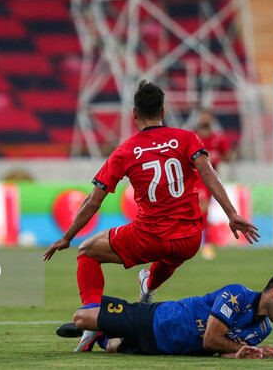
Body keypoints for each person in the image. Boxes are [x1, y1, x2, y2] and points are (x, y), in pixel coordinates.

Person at [43, 80, 259, 352]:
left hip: (149, 237)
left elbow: (93, 200)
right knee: (171, 255)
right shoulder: (186, 138)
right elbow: (207, 172)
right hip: (190, 239)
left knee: (86, 250)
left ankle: (92, 318)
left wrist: (67, 237)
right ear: (163, 111)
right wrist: (232, 213)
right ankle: (148, 289)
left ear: (134, 114)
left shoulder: (125, 150)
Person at [68, 269, 273, 358]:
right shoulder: (237, 296)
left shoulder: (264, 328)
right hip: (156, 320)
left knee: (111, 346)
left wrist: (251, 354)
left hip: (164, 348)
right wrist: (247, 349)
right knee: (80, 317)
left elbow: (226, 352)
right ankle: (94, 325)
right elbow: (212, 340)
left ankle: (99, 333)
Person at [195, 109, 231, 261]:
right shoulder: (194, 138)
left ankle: (202, 243)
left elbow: (227, 156)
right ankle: (206, 244)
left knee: (202, 212)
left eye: (206, 116)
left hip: (211, 181)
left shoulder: (219, 139)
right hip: (195, 179)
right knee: (201, 210)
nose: (204, 118)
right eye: (202, 115)